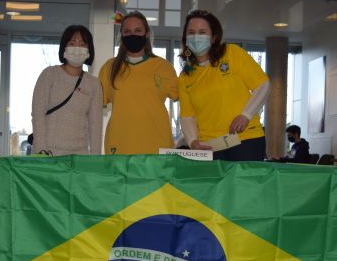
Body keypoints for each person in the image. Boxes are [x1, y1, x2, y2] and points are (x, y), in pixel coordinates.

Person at [178, 10, 270, 161]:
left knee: (244, 184)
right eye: (191, 32)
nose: (196, 36)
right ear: (185, 38)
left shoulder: (232, 53)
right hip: (210, 147)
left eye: (202, 32)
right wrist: (192, 141)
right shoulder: (185, 76)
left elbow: (262, 84)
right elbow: (187, 116)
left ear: (214, 37)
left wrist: (245, 115)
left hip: (245, 139)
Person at [99, 11, 178, 154]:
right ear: (122, 35)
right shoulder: (109, 68)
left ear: (146, 33)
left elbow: (188, 100)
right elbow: (93, 105)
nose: (132, 35)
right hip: (119, 143)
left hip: (157, 143)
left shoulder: (163, 66)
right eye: (127, 31)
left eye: (138, 30)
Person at [31, 25, 102, 155]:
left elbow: (95, 124)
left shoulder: (93, 84)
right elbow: (38, 115)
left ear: (89, 49)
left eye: (82, 44)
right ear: (64, 47)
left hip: (80, 155)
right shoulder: (49, 75)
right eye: (72, 43)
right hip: (49, 154)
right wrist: (41, 150)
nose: (77, 48)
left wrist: (95, 158)